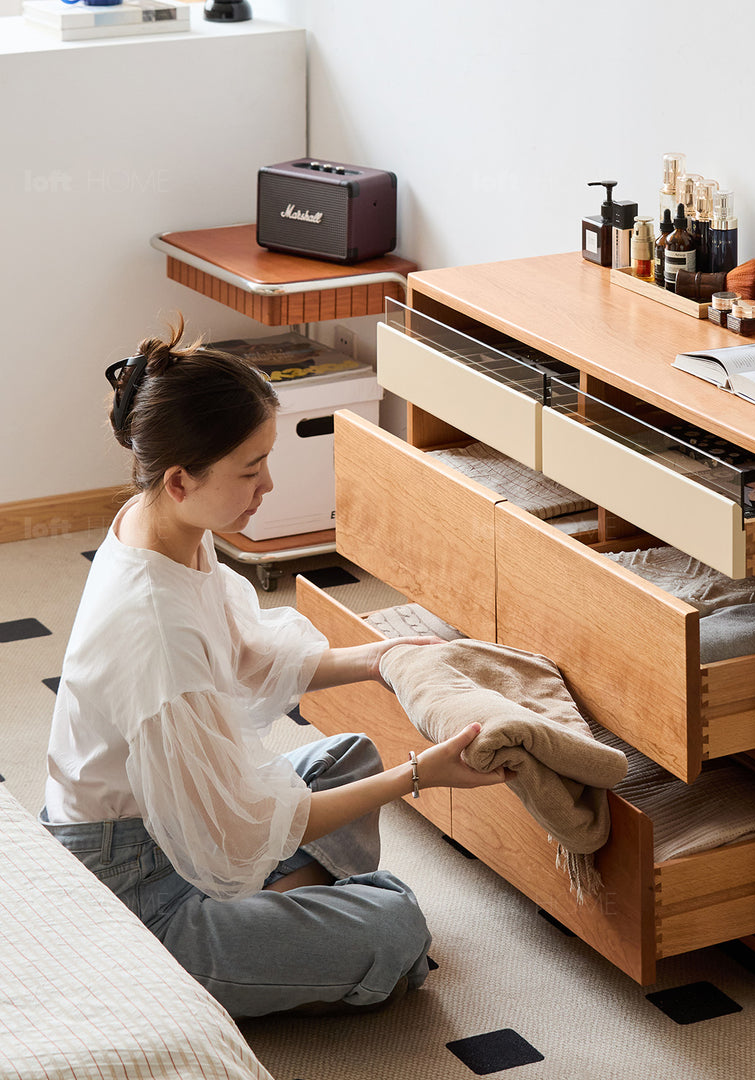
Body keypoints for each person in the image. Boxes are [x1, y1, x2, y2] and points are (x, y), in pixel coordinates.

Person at [42, 317, 510, 1019]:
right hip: (132, 885)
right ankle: (245, 933)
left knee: (348, 757)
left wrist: (379, 657)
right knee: (398, 926)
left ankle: (273, 915)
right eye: (250, 469)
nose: (268, 485)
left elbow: (246, 656)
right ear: (180, 479)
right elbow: (229, 833)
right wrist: (418, 778)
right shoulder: (152, 627)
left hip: (169, 826)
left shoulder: (166, 528)